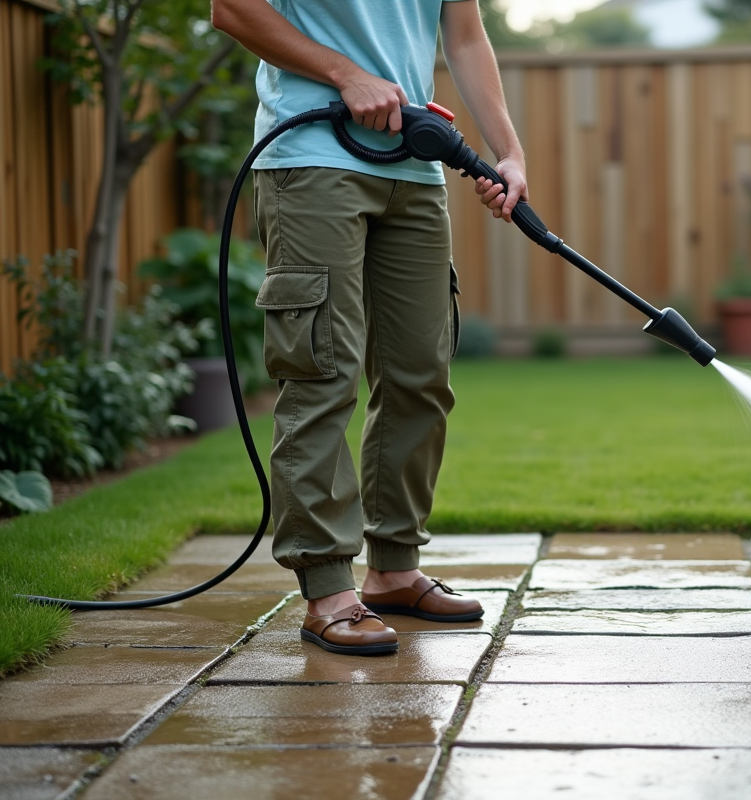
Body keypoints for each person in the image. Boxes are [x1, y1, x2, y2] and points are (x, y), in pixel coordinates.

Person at [211, 0, 526, 655]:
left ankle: (394, 567)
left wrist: (509, 152)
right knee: (321, 371)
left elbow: (464, 35)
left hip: (413, 167)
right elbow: (232, 8)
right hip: (312, 154)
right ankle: (327, 586)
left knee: (420, 373)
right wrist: (345, 74)